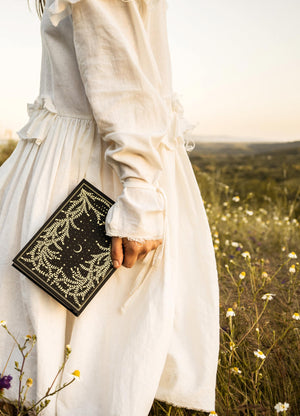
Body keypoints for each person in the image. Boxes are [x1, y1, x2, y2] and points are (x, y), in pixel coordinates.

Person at [0, 0, 219, 415]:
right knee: (87, 374)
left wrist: (139, 188)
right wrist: (138, 190)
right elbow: (119, 79)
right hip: (96, 178)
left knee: (86, 368)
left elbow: (122, 76)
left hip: (95, 170)